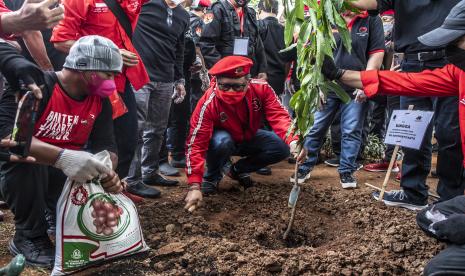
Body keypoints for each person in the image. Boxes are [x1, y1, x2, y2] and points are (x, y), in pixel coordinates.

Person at [319, 0, 465, 210]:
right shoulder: (455, 74)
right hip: (413, 61)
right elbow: (406, 83)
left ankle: (451, 200)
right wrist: (340, 74)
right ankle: (415, 192)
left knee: (450, 133)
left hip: (441, 62)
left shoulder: (456, 69)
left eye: (456, 40)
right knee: (411, 133)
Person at [0, 35, 124, 267]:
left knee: (83, 212)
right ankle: (28, 236)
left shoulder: (99, 101)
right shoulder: (37, 87)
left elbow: (107, 146)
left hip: (59, 171)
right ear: (88, 70)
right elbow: (9, 138)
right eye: (109, 74)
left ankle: (54, 219)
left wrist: (106, 169)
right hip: (17, 170)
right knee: (27, 159)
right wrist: (62, 157)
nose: (112, 82)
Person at [50, 0, 150, 196]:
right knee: (93, 141)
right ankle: (81, 196)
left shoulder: (130, 2)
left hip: (119, 80)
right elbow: (61, 41)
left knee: (127, 140)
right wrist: (109, 54)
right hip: (93, 83)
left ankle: (113, 190)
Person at [183, 55, 299, 212]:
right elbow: (196, 143)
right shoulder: (208, 102)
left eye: (237, 87)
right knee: (222, 141)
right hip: (220, 141)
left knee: (281, 147)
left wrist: (293, 140)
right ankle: (211, 176)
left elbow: (279, 115)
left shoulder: (262, 89)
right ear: (216, 82)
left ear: (248, 82)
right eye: (225, 86)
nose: (231, 91)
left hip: (247, 136)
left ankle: (236, 170)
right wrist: (194, 185)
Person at [292, 10, 385, 188]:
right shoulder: (325, 15)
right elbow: (313, 52)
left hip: (355, 85)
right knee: (316, 127)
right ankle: (304, 166)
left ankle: (347, 171)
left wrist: (366, 82)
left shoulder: (372, 18)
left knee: (351, 129)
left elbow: (376, 53)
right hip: (326, 85)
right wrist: (316, 85)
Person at [126, 0, 189, 198]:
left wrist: (179, 79)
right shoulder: (145, 4)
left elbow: (179, 50)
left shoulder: (183, 16)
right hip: (138, 75)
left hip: (166, 78)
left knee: (157, 130)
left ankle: (150, 172)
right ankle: (132, 179)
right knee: (136, 129)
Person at [199, 0, 267, 79]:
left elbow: (257, 43)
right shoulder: (216, 9)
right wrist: (223, 69)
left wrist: (262, 69)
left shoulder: (250, 13)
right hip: (225, 74)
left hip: (247, 72)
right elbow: (206, 43)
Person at [257, 0, 286, 96]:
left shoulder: (256, 27)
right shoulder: (286, 32)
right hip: (278, 81)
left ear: (259, 10)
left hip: (258, 80)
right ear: (277, 12)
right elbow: (289, 60)